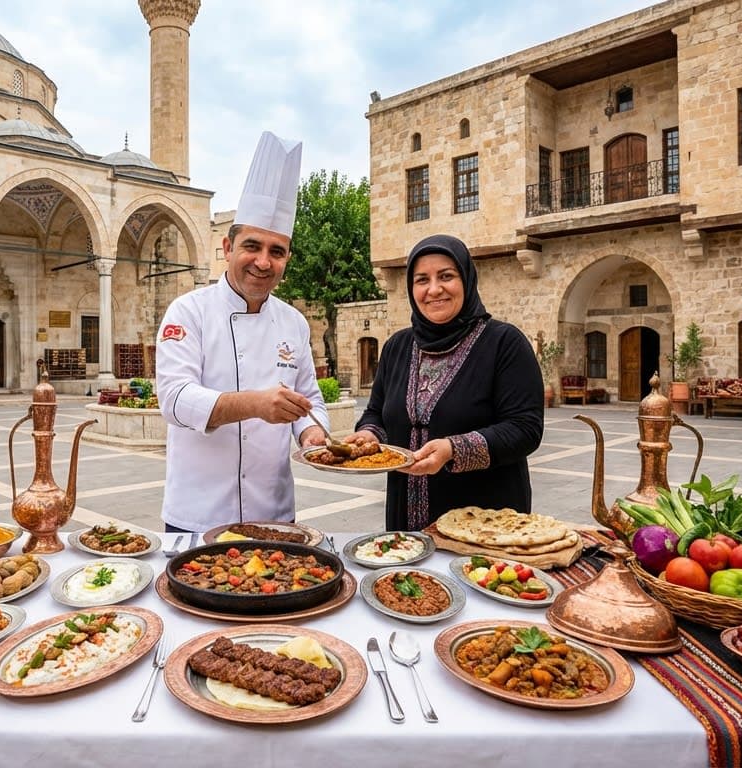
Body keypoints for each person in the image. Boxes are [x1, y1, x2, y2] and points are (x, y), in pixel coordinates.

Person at [156, 132, 329, 534]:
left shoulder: (294, 322)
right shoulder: (188, 311)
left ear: (287, 258)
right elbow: (175, 400)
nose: (263, 262)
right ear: (227, 247)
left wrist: (313, 433)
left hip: (274, 514)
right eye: (252, 246)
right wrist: (254, 404)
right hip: (197, 516)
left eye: (277, 251)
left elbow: (310, 400)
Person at [346, 234, 544, 531]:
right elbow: (376, 412)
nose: (434, 289)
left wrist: (454, 449)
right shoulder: (397, 347)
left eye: (446, 276)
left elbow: (525, 428)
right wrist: (369, 434)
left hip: (484, 522)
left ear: (466, 279)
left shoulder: (504, 343)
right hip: (406, 523)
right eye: (422, 279)